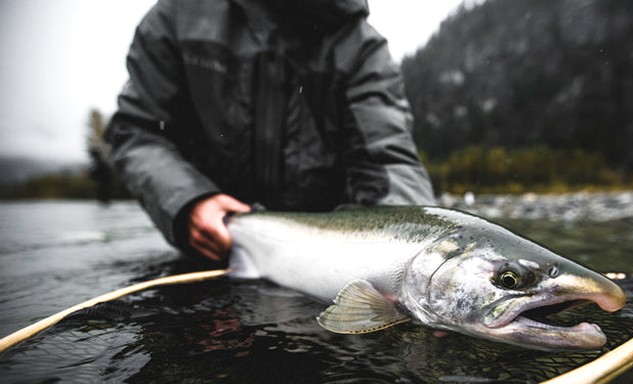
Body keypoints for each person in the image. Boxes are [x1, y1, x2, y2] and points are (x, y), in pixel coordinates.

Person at [107, 0, 435, 262]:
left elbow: (389, 159)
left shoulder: (361, 49)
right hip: (206, 252)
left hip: (315, 263)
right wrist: (187, 202)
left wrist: (419, 258)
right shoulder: (178, 15)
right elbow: (137, 130)